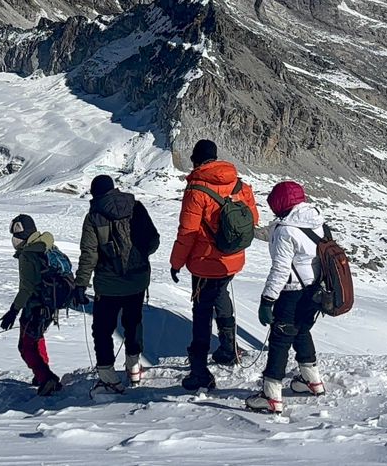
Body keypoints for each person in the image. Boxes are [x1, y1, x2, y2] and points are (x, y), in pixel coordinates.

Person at [170, 138, 259, 391]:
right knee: (220, 294)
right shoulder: (239, 184)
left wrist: (176, 263)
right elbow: (253, 218)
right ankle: (229, 348)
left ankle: (199, 370)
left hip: (204, 263)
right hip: (232, 259)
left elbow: (187, 233)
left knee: (201, 311)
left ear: (196, 160)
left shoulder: (196, 191)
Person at [247, 180, 328, 414]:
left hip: (292, 291)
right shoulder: (316, 221)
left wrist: (267, 300)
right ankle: (312, 381)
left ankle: (271, 395)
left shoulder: (285, 230)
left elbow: (281, 269)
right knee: (301, 330)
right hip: (314, 290)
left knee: (280, 339)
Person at [74, 174, 160, 392]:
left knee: (102, 329)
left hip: (108, 284)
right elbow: (153, 240)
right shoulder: (136, 206)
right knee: (133, 323)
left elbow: (89, 254)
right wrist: (139, 258)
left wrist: (81, 284)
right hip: (138, 280)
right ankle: (134, 368)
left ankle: (108, 377)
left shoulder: (94, 216)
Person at [0, 214, 63, 396]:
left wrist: (13, 311)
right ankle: (41, 373)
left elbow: (26, 288)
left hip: (35, 305)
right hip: (50, 304)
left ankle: (46, 377)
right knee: (37, 338)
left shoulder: (28, 254)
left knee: (26, 346)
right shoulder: (47, 244)